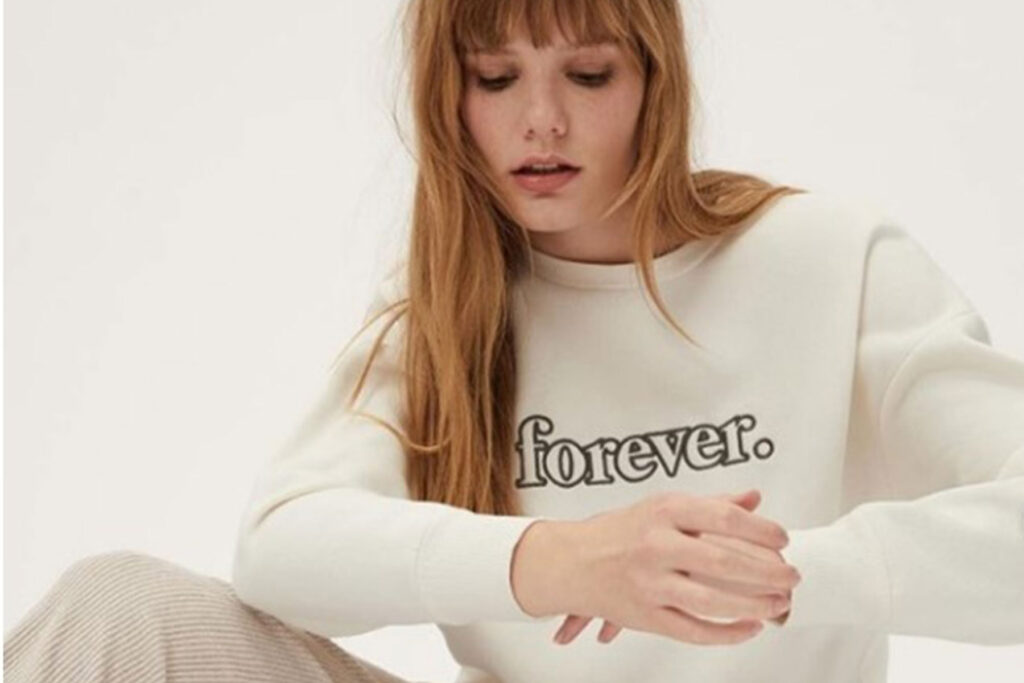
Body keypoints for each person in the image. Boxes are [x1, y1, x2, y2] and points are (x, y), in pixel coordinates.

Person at [6, 0, 1024, 681]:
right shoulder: (449, 303)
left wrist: (759, 575)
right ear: (449, 102)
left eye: (587, 74)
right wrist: (560, 559)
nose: (540, 122)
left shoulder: (828, 257)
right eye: (494, 78)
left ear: (653, 85)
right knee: (117, 608)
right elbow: (282, 546)